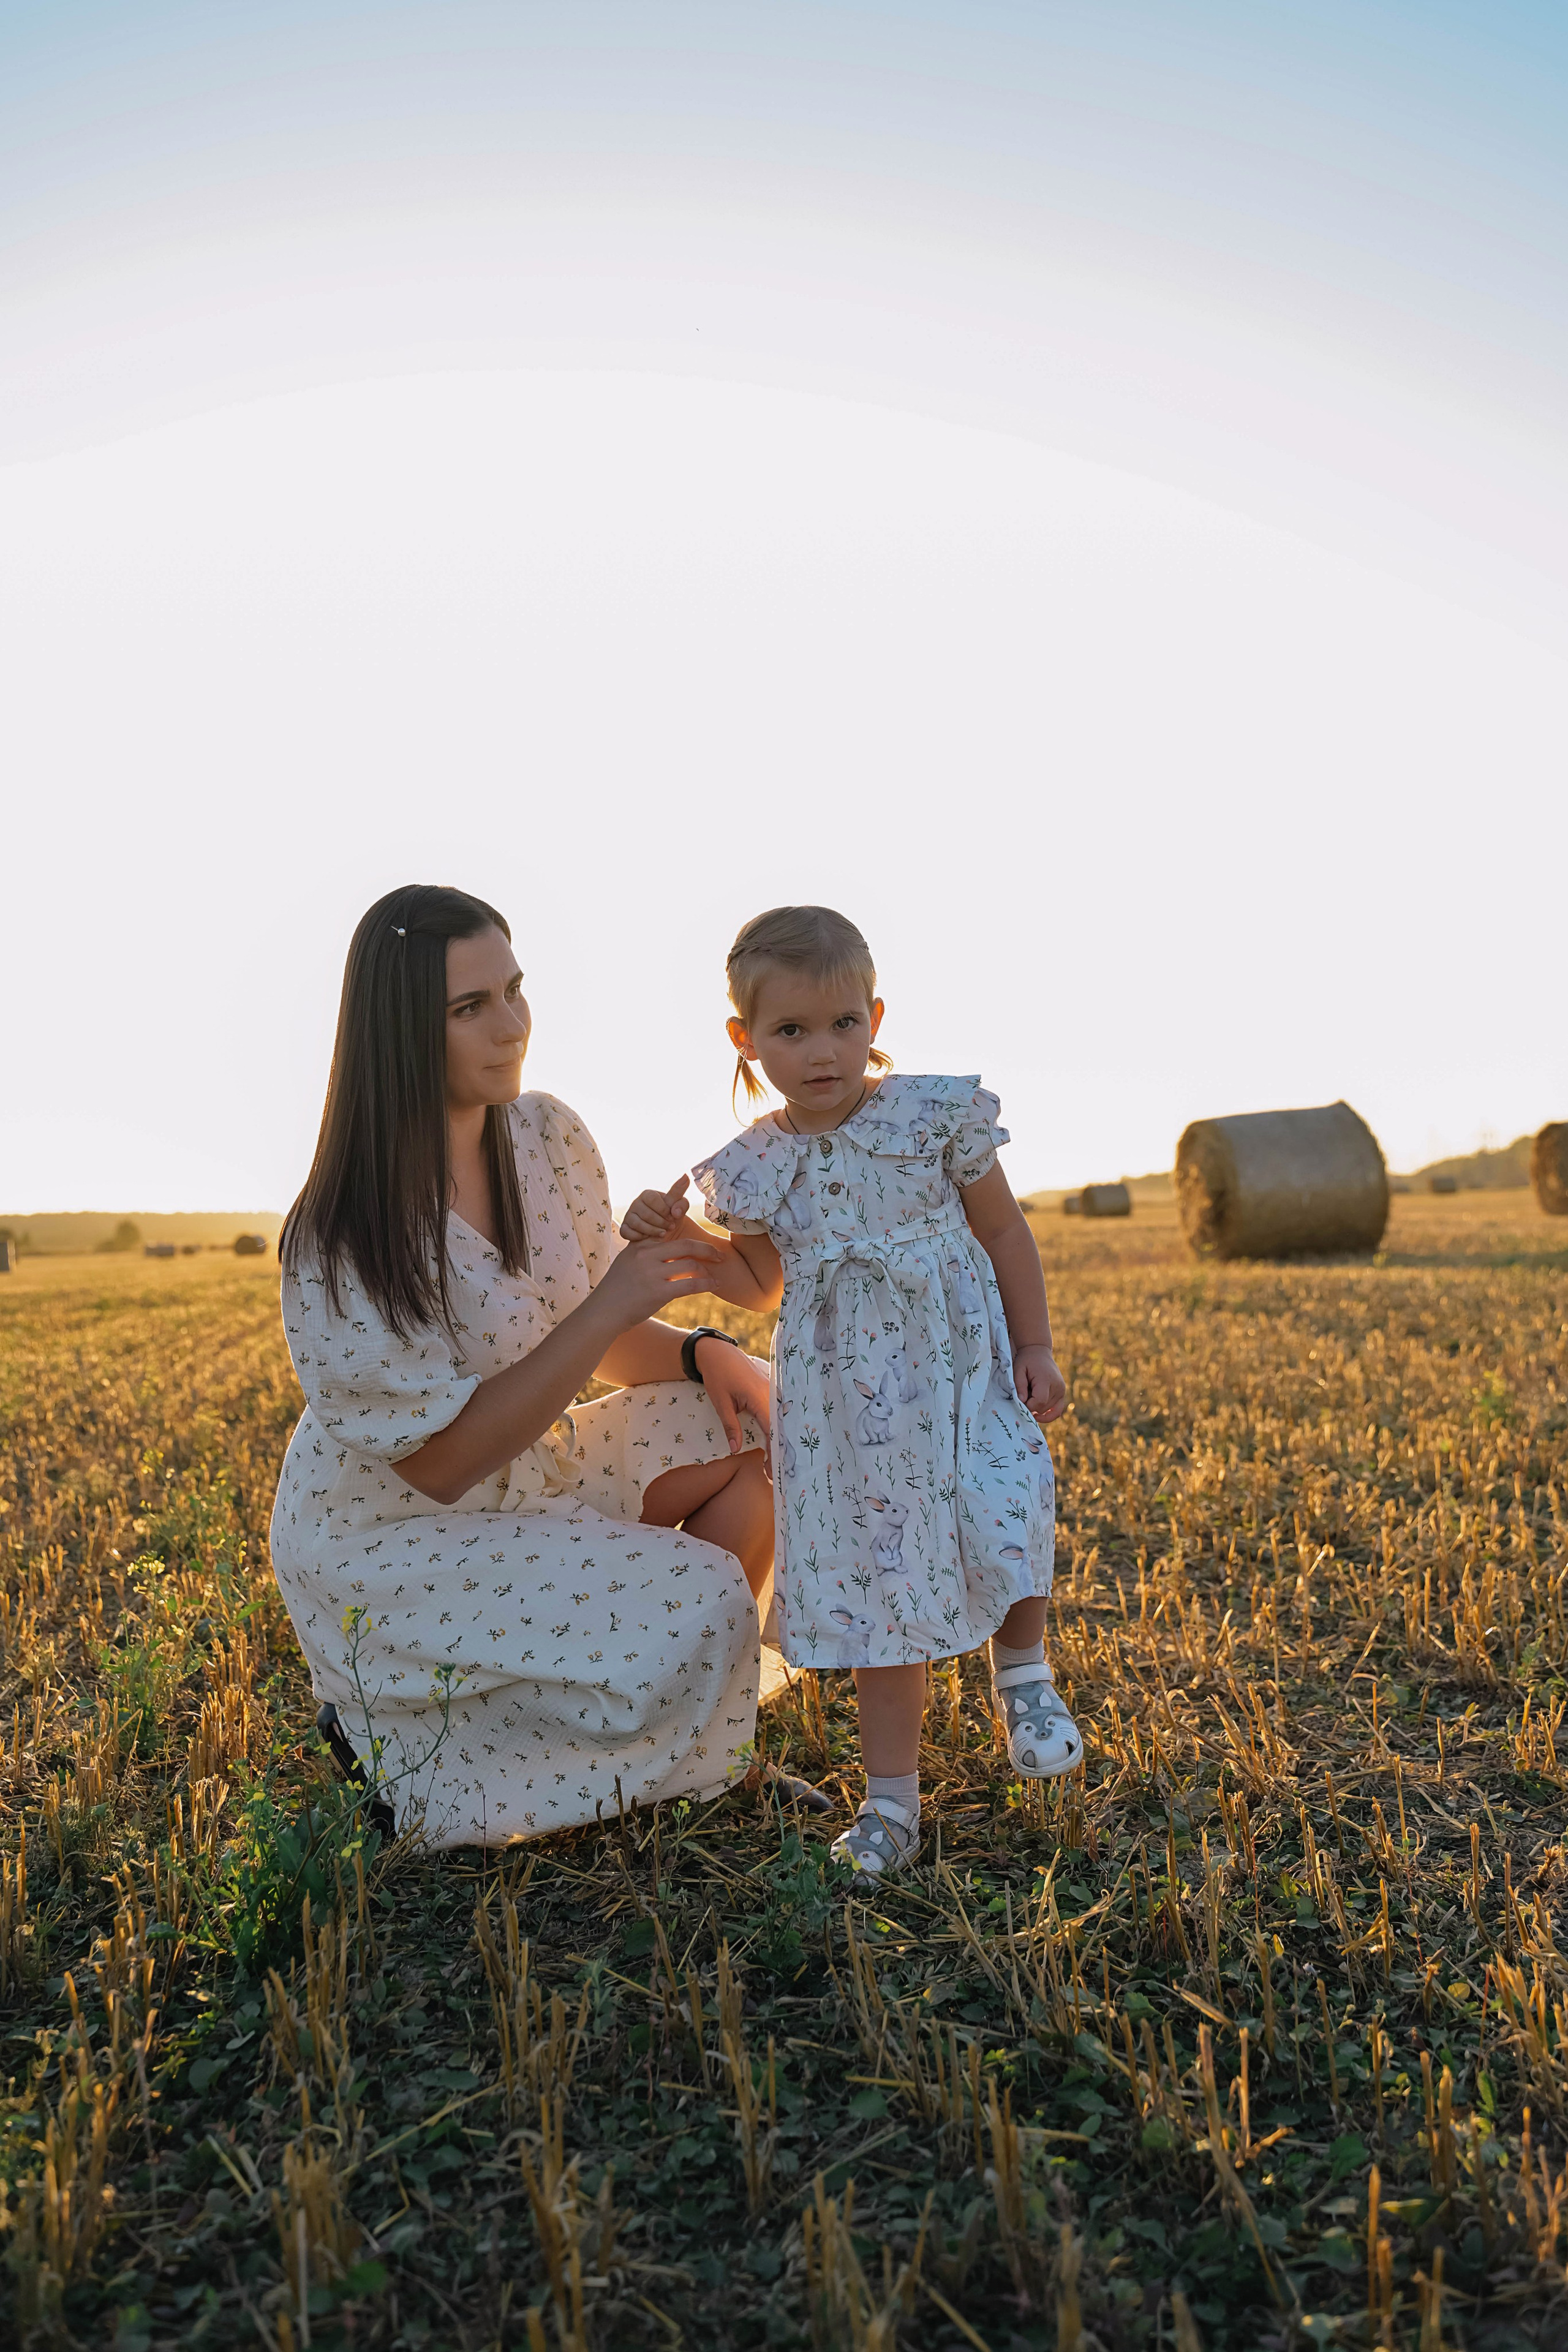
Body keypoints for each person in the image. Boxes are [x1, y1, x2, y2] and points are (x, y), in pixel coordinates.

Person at [270, 883, 775, 1848]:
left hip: (525, 1477)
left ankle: (688, 1739)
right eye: (471, 1009)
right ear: (399, 1032)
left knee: (751, 1437)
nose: (512, 1028)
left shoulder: (545, 1136)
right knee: (704, 1598)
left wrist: (710, 1351)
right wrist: (616, 1301)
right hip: (390, 1538)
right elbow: (441, 1463)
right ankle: (403, 1759)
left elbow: (615, 1346)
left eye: (515, 990)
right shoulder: (341, 1235)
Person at [620, 903, 1080, 1877]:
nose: (821, 1051)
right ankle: (892, 1807)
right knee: (885, 1592)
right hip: (850, 1413)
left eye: (842, 1024)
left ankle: (1024, 1672)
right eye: (789, 1032)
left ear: (875, 1016)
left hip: (961, 1370)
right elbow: (759, 1285)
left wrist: (1033, 1343)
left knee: (1008, 1492)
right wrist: (688, 1245)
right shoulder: (757, 1167)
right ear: (747, 1041)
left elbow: (1003, 1233)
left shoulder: (931, 1116)